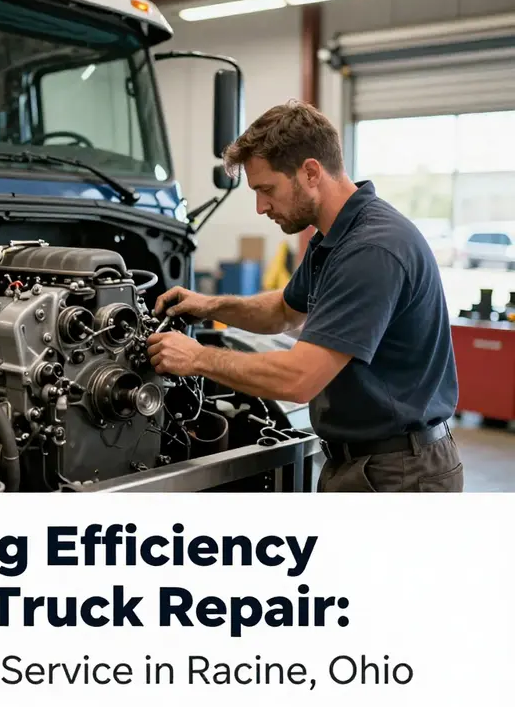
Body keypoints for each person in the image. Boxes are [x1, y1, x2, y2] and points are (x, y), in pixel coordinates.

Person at [146, 100, 463, 492]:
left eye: (267, 189)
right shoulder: (333, 236)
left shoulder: (371, 249)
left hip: (400, 473)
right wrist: (211, 305)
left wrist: (196, 357)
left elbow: (300, 379)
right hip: (362, 460)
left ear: (311, 172)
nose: (261, 207)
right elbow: (283, 310)